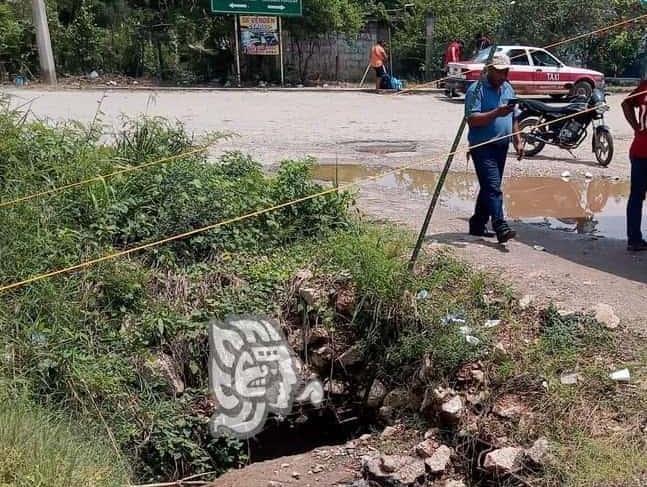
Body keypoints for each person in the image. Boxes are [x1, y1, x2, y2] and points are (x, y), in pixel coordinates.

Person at [464, 53, 522, 243]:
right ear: (489, 70)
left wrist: (517, 139)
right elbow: (472, 120)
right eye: (499, 72)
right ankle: (500, 225)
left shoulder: (508, 88)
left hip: (501, 145)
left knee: (489, 186)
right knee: (493, 186)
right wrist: (497, 112)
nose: (502, 75)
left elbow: (514, 117)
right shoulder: (476, 89)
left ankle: (477, 224)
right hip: (482, 146)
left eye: (505, 71)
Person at [621, 64, 647, 251]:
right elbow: (626, 104)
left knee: (636, 197)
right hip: (640, 152)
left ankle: (635, 239)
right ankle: (634, 239)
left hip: (640, 151)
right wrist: (636, 127)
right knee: (637, 196)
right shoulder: (644, 87)